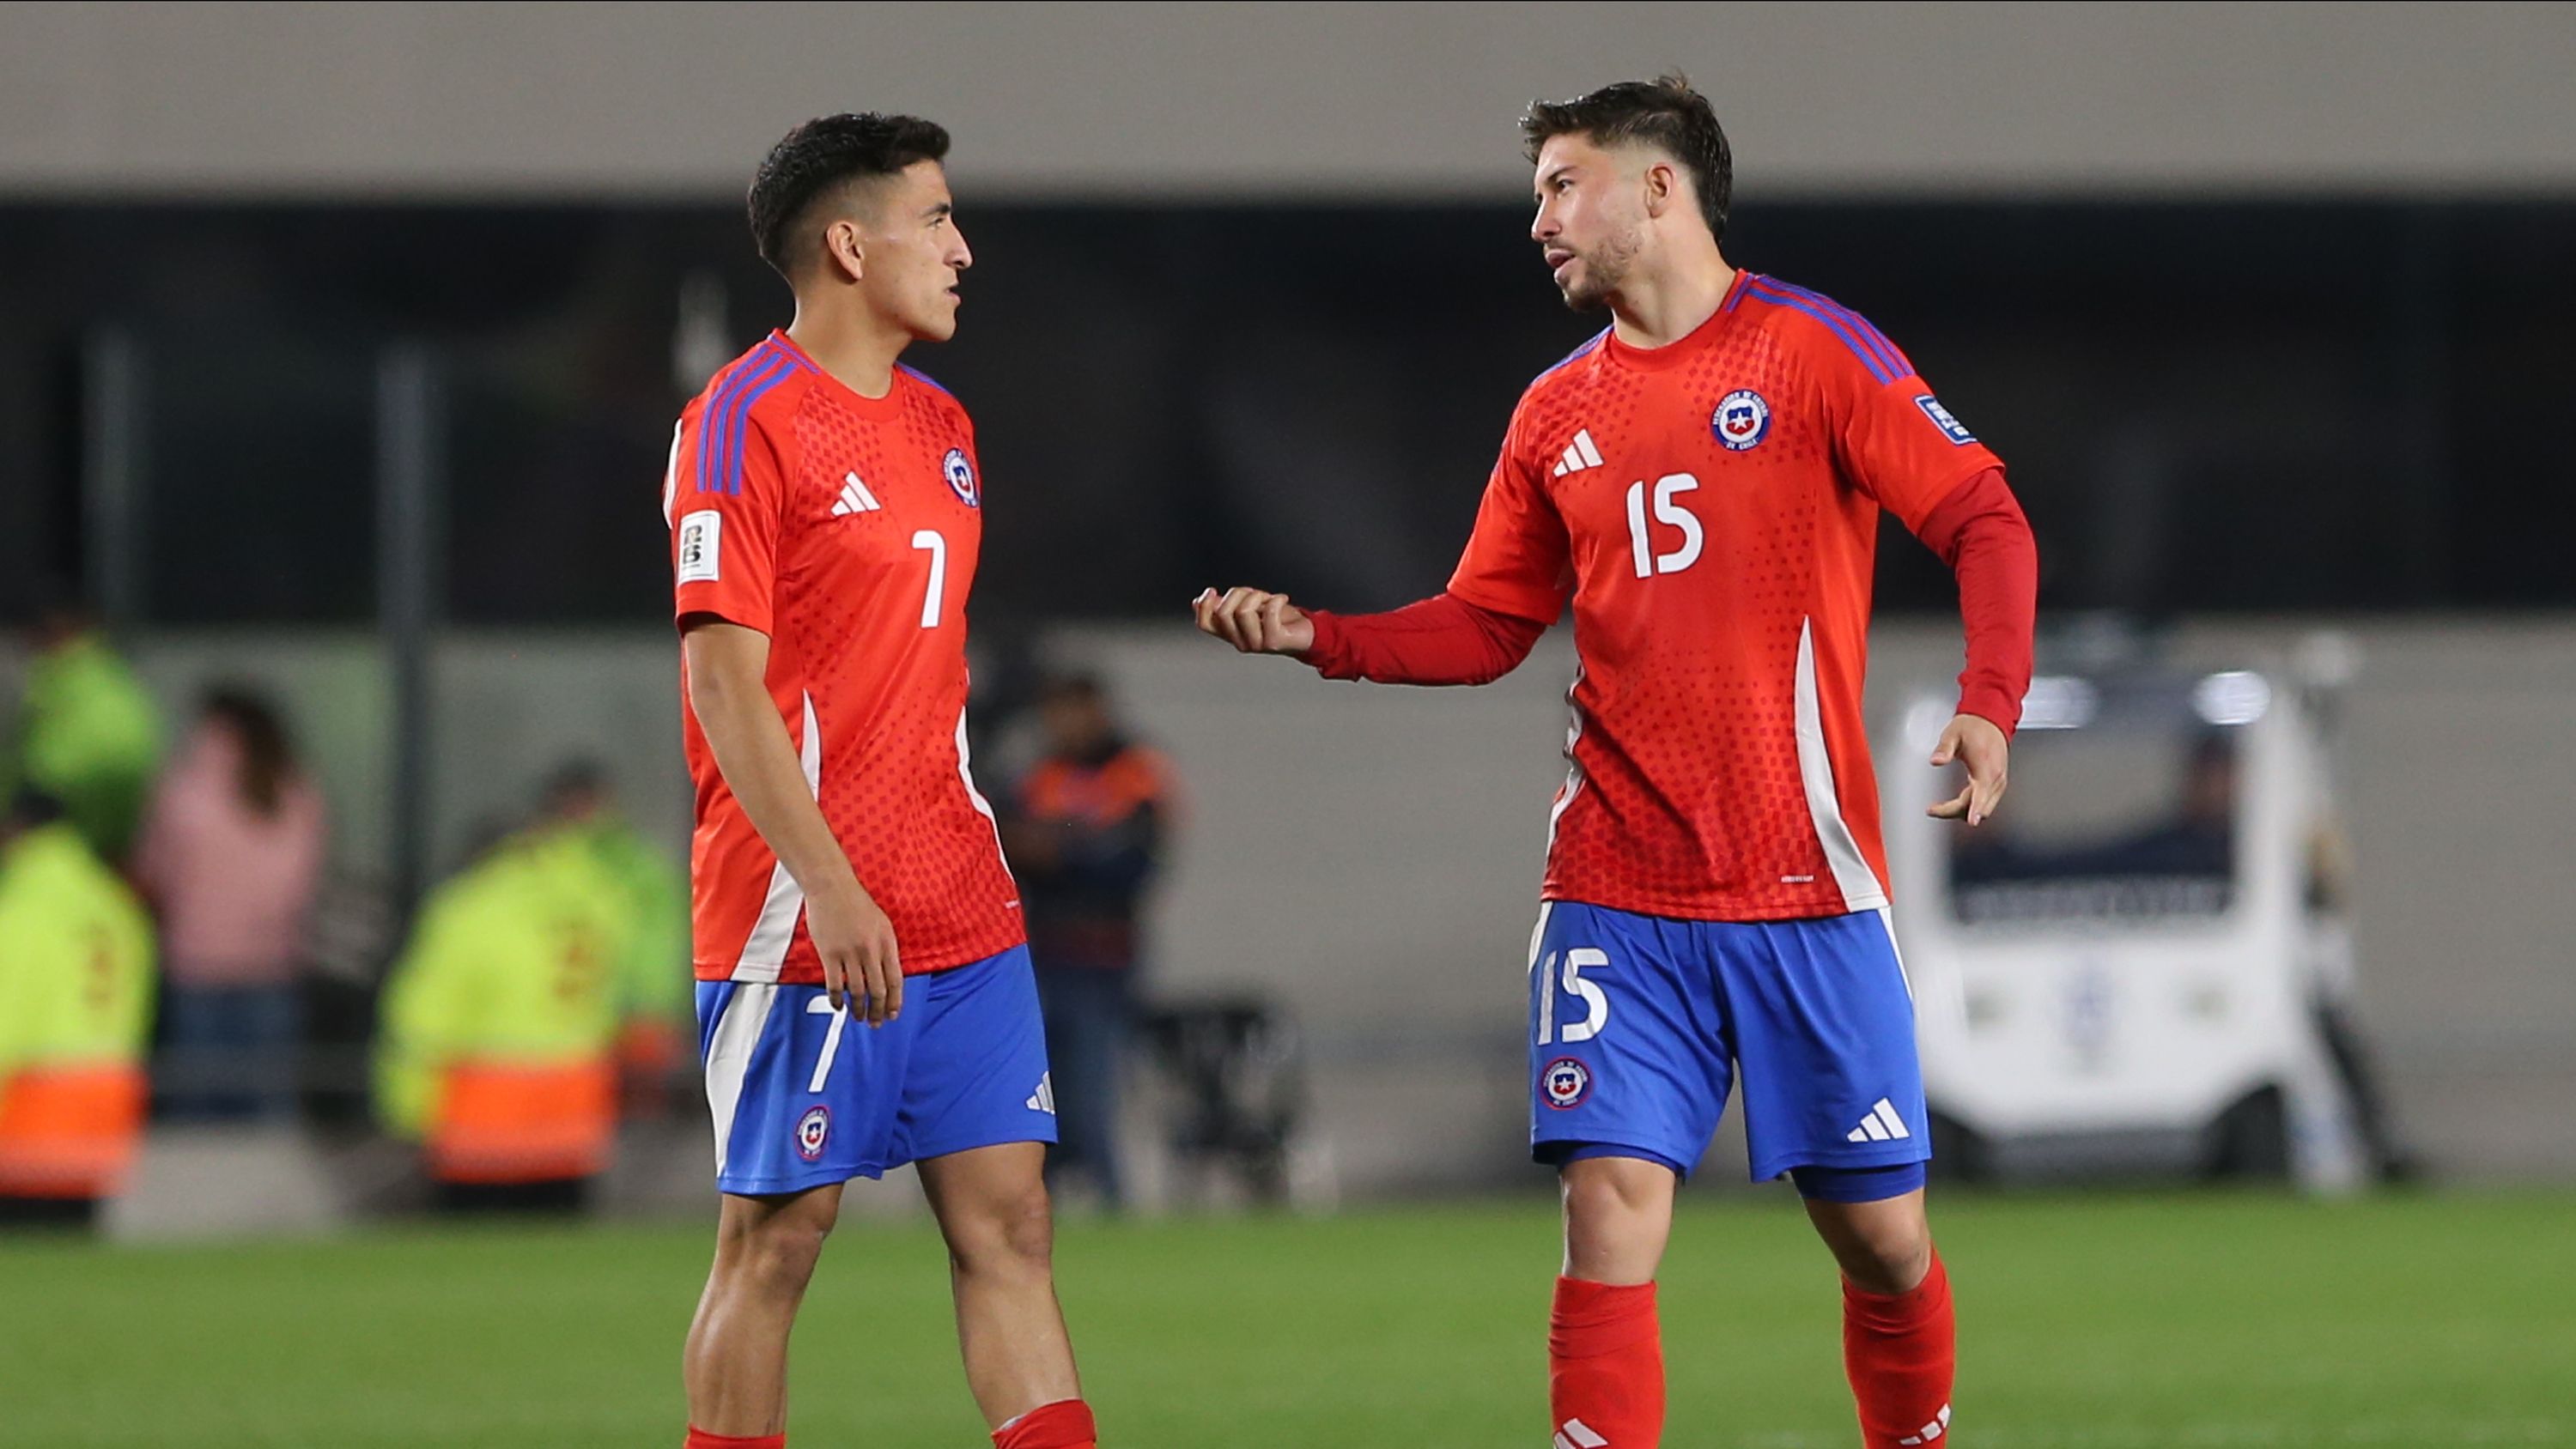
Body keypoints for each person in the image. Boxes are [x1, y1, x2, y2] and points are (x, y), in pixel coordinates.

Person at [1194, 75, 2037, 1449]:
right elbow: (1483, 626)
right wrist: (1322, 636)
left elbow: (1988, 520)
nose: (1537, 220)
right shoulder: (1553, 415)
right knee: (1608, 1205)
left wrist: (1991, 701)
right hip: (1617, 890)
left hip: (1806, 886)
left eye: (1558, 187)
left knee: (1881, 1237)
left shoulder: (1814, 354)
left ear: (1659, 187)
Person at [669, 115, 1100, 1449]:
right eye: (937, 220)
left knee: (1014, 1226)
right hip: (805, 919)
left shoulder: (944, 424)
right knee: (778, 1244)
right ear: (851, 246)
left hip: (961, 904)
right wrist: (830, 882)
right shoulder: (740, 423)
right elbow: (724, 688)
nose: (962, 250)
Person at [374, 819, 632, 1212]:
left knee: (472, 1258)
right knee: (563, 1256)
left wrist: (408, 1111)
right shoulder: (598, 902)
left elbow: (422, 1022)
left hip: (485, 1112)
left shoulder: (469, 908)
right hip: (576, 1106)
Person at [1005, 674, 1179, 1210]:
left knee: (1093, 1085)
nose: (1063, 725)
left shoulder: (1137, 771)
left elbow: (1129, 863)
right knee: (1040, 1088)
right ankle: (1045, 1198)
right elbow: (1008, 849)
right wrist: (1069, 849)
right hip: (1043, 954)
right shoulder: (1041, 774)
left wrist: (1059, 851)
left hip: (1104, 954)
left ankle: (1108, 1197)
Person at [132, 687, 327, 1121]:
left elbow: (153, 875)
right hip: (272, 965)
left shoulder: (183, 790)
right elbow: (303, 883)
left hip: (195, 965)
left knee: (196, 1108)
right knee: (269, 1105)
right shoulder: (294, 791)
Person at [0, 790, 155, 1230]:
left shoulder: (21, 906)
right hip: (110, 1091)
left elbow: (6, 1015)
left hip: (35, 1096)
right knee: (77, 1238)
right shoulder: (112, 902)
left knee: (24, 1254)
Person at [538, 760, 693, 1113]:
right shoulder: (630, 864)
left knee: (636, 1117)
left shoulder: (632, 865)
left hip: (636, 1011)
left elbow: (664, 940)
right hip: (584, 1012)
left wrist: (659, 1006)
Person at [6, 595, 164, 867]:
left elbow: (41, 780)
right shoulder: (117, 680)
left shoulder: (55, 683)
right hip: (115, 847)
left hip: (60, 844)